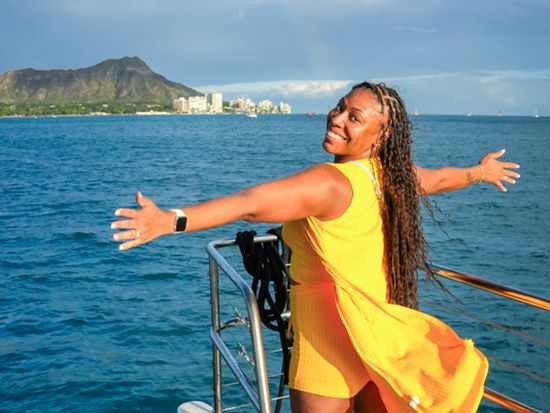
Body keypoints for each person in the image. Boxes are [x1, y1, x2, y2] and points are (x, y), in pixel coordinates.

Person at [112, 82, 520, 413]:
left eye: (354, 117)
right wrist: (481, 172)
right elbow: (441, 179)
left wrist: (171, 220)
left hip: (328, 340)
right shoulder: (390, 176)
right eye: (340, 107)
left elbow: (249, 204)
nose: (337, 118)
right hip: (379, 335)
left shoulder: (329, 183)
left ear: (381, 135)